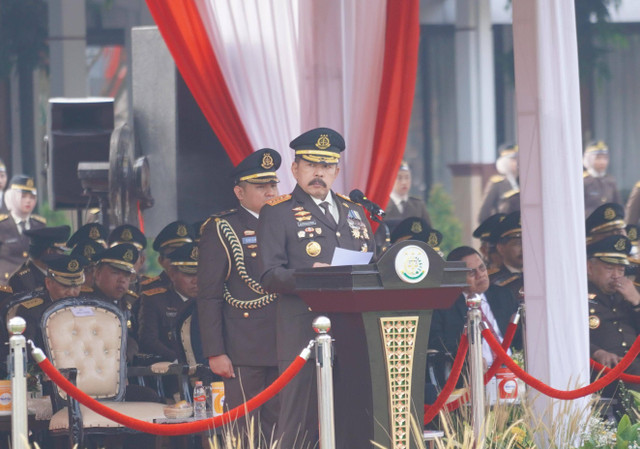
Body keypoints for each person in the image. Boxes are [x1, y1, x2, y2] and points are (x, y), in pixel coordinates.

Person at [258, 128, 375, 449]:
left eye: (326, 166)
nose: (318, 173)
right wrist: (311, 276)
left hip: (352, 328)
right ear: (295, 169)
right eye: (310, 165)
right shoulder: (278, 211)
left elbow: (373, 265)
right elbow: (268, 275)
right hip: (302, 329)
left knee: (354, 415)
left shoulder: (356, 211)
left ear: (337, 171)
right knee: (299, 420)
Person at [197, 148, 281, 440]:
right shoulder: (223, 228)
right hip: (244, 347)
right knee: (245, 430)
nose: (270, 192)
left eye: (273, 185)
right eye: (261, 187)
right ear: (239, 192)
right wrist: (215, 352)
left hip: (286, 342)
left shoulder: (289, 223)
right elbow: (209, 296)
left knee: (284, 427)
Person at [429, 246, 521, 373]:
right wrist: (467, 357)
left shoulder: (503, 295)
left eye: (482, 268)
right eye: (472, 272)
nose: (480, 275)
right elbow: (438, 344)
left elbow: (520, 336)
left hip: (512, 370)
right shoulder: (444, 306)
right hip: (472, 375)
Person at [586, 235, 640, 387]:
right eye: (609, 269)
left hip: (633, 365)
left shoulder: (631, 294)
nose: (616, 276)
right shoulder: (578, 295)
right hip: (601, 368)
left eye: (621, 270)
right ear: (590, 268)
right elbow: (567, 334)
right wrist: (596, 352)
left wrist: (637, 302)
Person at [12, 253, 88, 350]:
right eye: (65, 286)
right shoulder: (31, 312)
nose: (72, 292)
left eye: (76, 286)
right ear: (48, 283)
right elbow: (28, 352)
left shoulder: (89, 306)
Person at [138, 242, 198, 363]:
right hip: (172, 370)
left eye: (200, 274)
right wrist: (177, 360)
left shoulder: (209, 302)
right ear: (172, 274)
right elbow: (148, 340)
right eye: (189, 274)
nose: (196, 281)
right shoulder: (155, 300)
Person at [86, 243, 141, 362]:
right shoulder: (84, 302)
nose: (122, 280)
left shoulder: (130, 302)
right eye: (115, 273)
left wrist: (127, 354)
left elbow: (135, 338)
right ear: (97, 273)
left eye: (126, 275)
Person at [375, 160, 431, 253]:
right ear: (391, 179)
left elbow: (429, 232)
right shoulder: (382, 206)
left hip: (415, 253)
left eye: (407, 177)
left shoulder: (418, 205)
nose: (404, 182)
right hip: (388, 254)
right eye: (399, 178)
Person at [0, 175, 47, 283]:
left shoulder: (39, 225)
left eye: (32, 197)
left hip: (34, 283)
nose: (28, 201)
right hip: (5, 284)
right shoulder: (2, 225)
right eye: (23, 196)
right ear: (12, 197)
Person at [9, 226, 70, 294]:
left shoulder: (58, 273)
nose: (63, 256)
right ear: (50, 252)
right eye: (61, 252)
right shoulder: (22, 280)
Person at [142, 221, 194, 293]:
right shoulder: (147, 290)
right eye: (174, 256)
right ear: (161, 260)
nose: (180, 262)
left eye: (185, 255)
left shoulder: (201, 288)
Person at [478, 144, 519, 223]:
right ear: (505, 162)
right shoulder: (497, 184)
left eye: (518, 159)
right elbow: (483, 214)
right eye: (513, 159)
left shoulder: (523, 182)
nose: (517, 162)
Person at [489, 210, 524, 301]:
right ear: (501, 248)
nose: (523, 249)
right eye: (518, 244)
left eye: (527, 244)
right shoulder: (493, 282)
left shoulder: (540, 276)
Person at [583, 140, 621, 217]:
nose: (602, 162)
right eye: (598, 158)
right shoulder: (584, 181)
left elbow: (618, 204)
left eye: (605, 158)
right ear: (589, 159)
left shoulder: (610, 180)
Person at [108, 224, 149, 294]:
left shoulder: (150, 288)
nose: (125, 260)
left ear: (142, 261)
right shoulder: (103, 285)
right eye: (119, 254)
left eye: (131, 255)